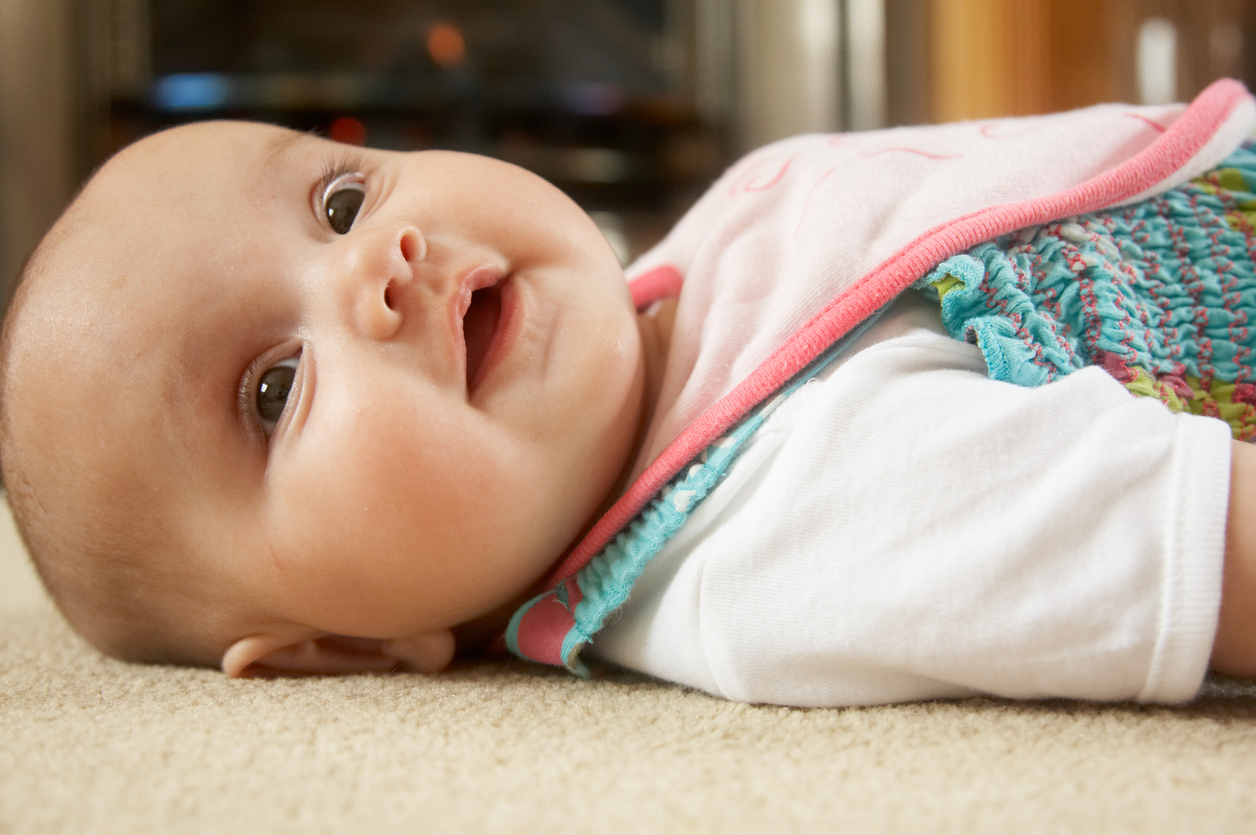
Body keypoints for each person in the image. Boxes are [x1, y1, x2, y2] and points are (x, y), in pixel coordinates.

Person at [3, 78, 1256, 707]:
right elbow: (1200, 541)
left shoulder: (694, 270)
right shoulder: (782, 527)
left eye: (340, 201)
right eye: (273, 389)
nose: (373, 263)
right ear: (340, 648)